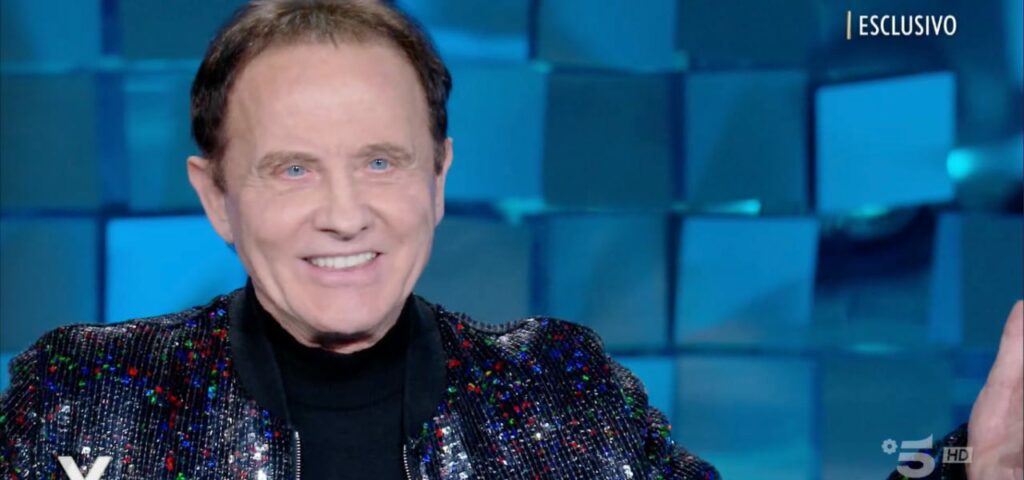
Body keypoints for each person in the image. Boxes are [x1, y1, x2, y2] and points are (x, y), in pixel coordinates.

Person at [0, 1, 1020, 479]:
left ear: (440, 178)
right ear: (217, 198)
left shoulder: (560, 389)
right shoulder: (84, 395)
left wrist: (967, 472)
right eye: (292, 170)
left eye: (382, 162)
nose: (346, 213)